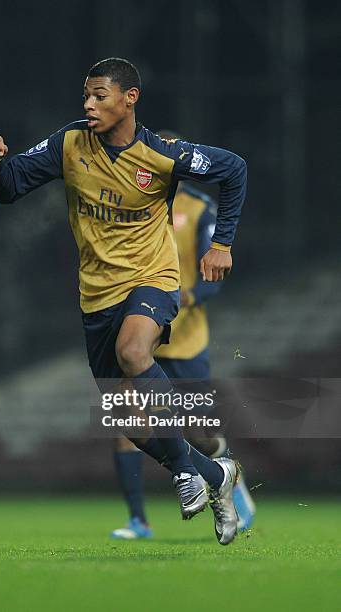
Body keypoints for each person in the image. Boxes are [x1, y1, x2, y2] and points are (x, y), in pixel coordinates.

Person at [0, 58, 247, 545]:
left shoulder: (162, 154)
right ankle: (212, 474)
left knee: (133, 352)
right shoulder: (69, 143)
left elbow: (234, 170)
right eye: (86, 95)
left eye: (99, 95)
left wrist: (221, 243)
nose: (88, 104)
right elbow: (10, 187)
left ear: (130, 99)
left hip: (152, 279)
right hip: (97, 294)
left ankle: (185, 474)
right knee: (126, 422)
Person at [111, 134, 255, 539]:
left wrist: (189, 293)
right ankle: (139, 520)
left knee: (198, 432)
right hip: (143, 332)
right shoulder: (134, 203)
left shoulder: (197, 208)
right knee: (124, 419)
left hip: (186, 340)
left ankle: (225, 471)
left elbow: (216, 273)